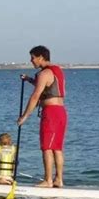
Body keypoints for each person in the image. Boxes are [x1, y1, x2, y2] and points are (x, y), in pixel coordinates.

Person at [17, 45, 67, 188]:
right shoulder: (56, 71)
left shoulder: (44, 74)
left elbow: (35, 97)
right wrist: (29, 80)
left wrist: (25, 116)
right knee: (57, 148)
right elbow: (48, 87)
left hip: (51, 113)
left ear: (40, 57)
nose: (31, 61)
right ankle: (58, 179)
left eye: (33, 58)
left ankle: (48, 180)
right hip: (61, 112)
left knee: (46, 147)